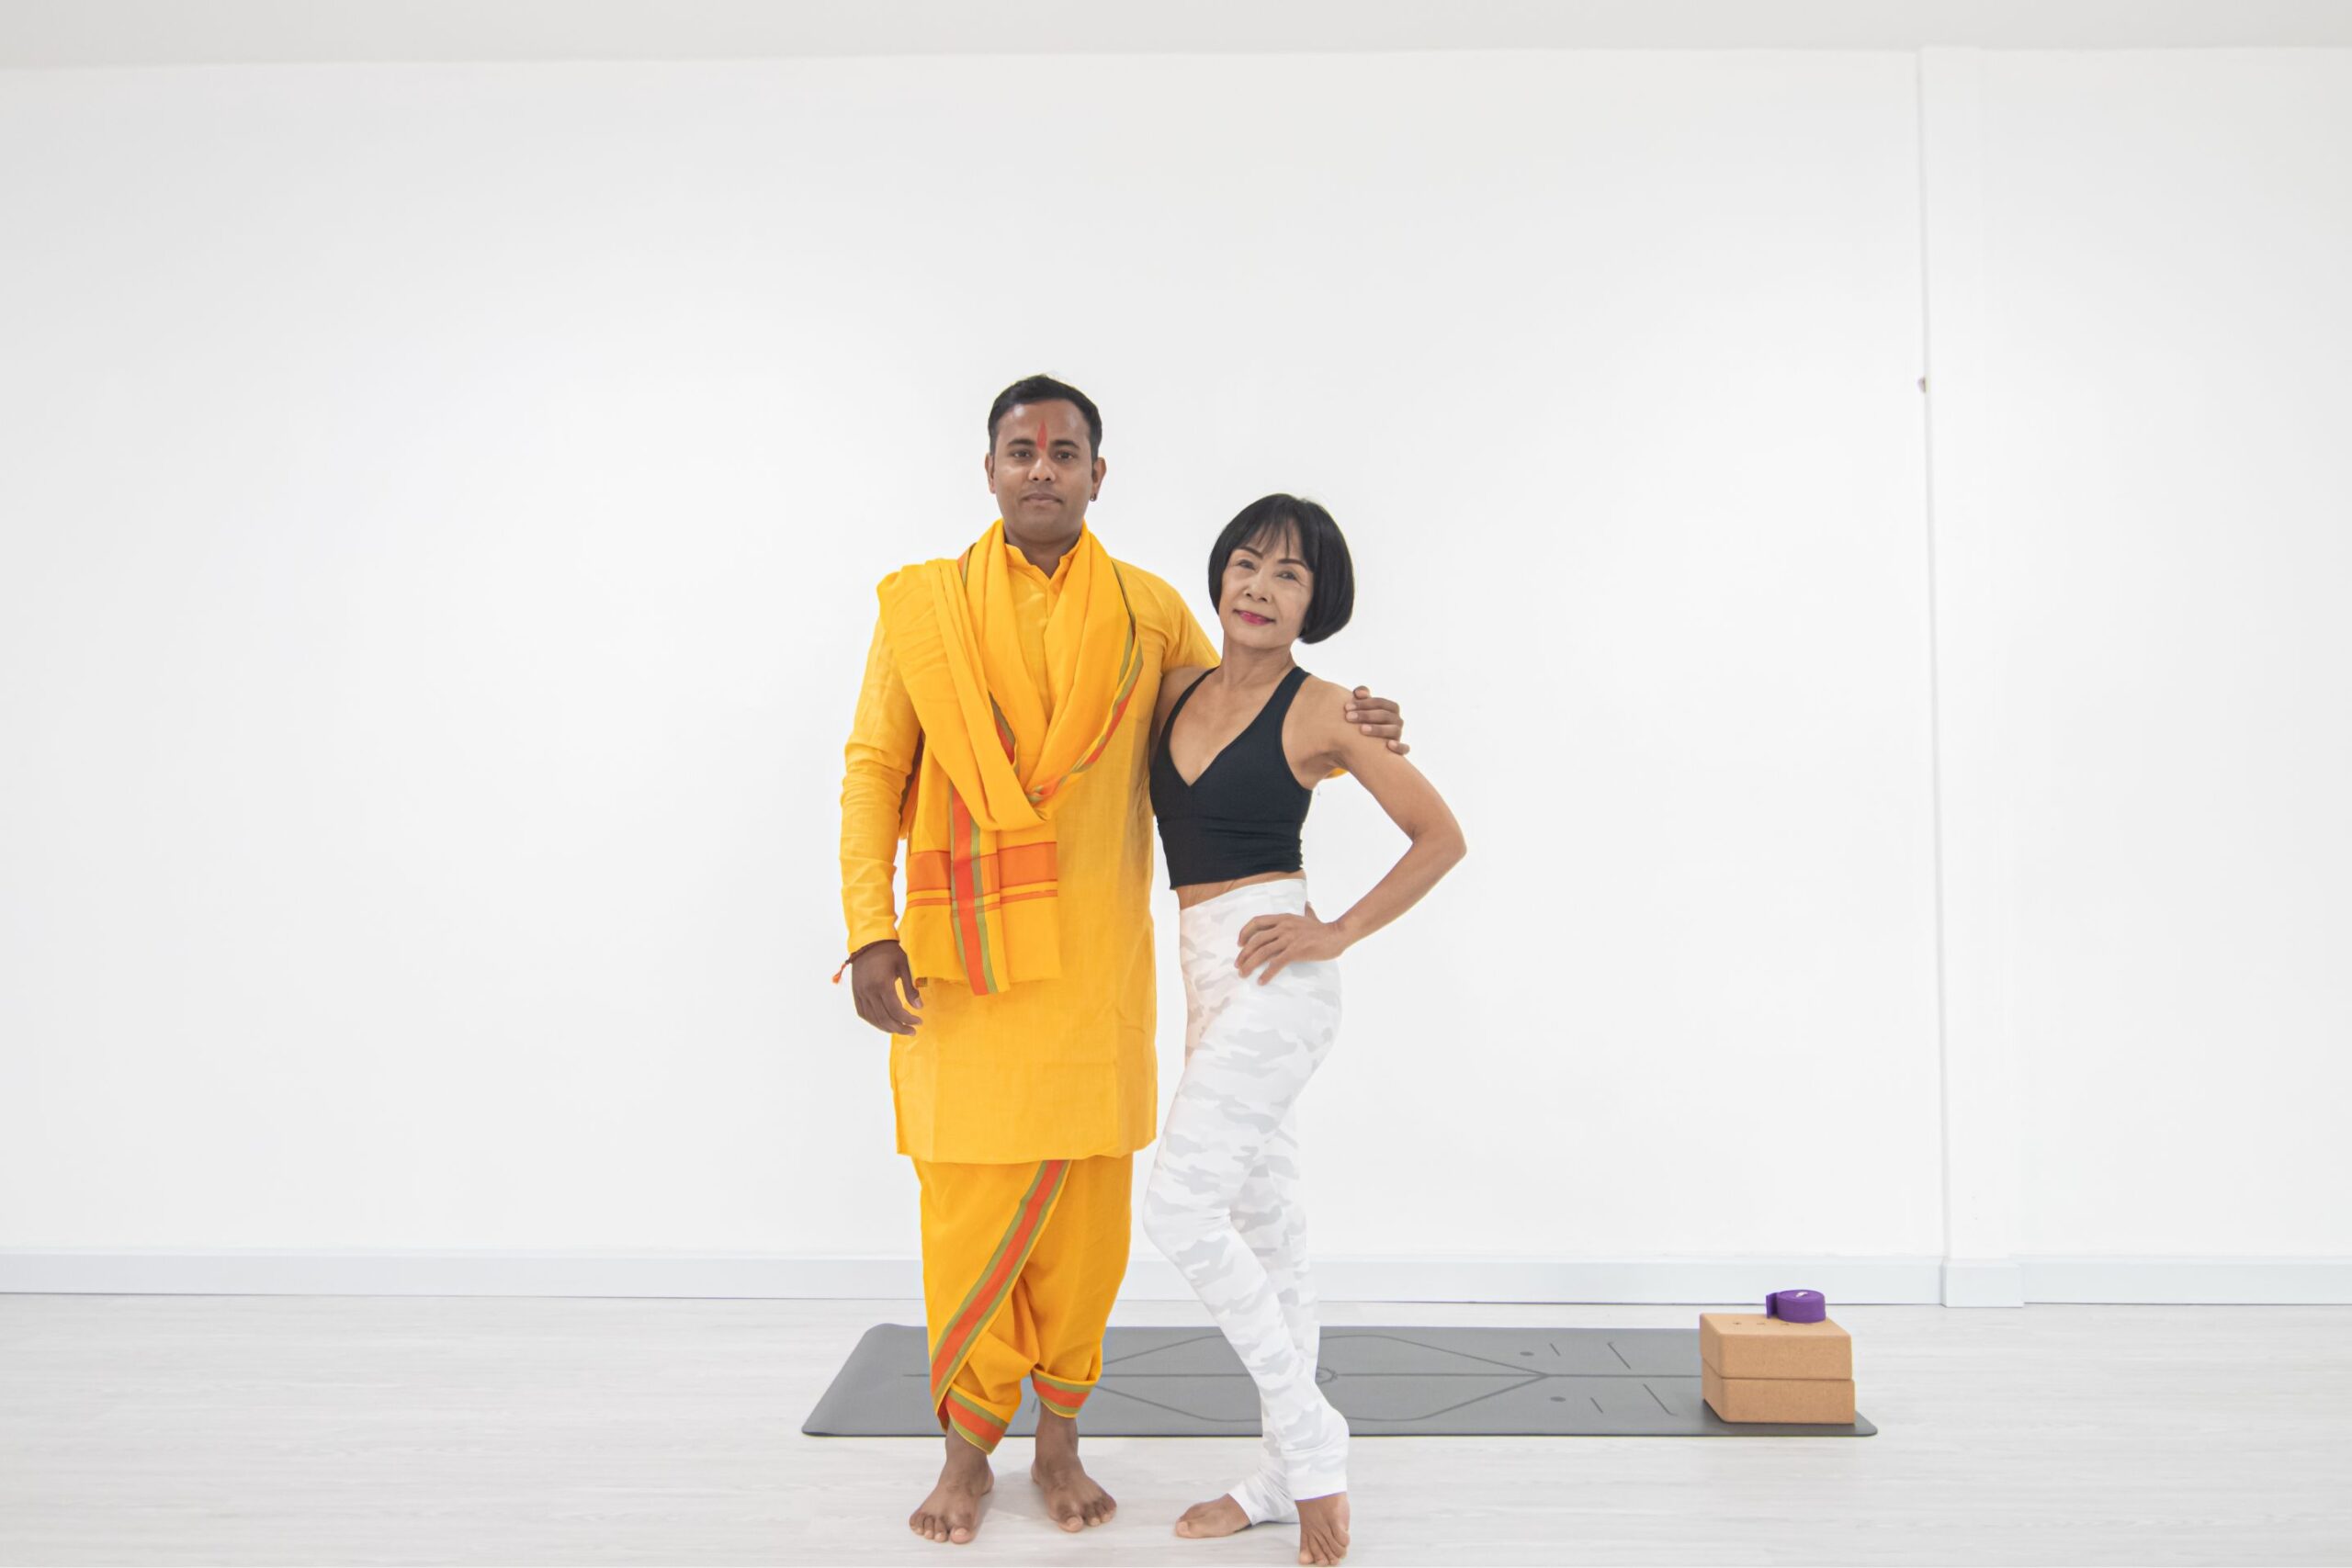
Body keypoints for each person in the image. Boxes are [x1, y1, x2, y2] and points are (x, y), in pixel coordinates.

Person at [835, 379, 1410, 1546]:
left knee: (1089, 1231)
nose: (1042, 468)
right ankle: (964, 1455)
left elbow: (1241, 707)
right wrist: (868, 928)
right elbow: (872, 770)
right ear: (990, 470)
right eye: (1021, 450)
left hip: (1096, 977)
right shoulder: (919, 610)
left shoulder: (1151, 615)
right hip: (962, 971)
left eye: (1066, 452)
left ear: (1099, 474)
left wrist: (1360, 730)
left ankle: (1058, 1442)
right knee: (963, 1215)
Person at [1140, 494, 1465, 1568]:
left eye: (1289, 575)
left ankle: (1313, 1447)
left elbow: (1438, 835)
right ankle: (1279, 1478)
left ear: (1316, 603)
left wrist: (1337, 931)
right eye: (1247, 563)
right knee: (1268, 1227)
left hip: (1277, 975)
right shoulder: (1173, 686)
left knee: (1179, 1208)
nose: (1259, 588)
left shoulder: (1326, 709)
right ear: (1219, 574)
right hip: (1202, 972)